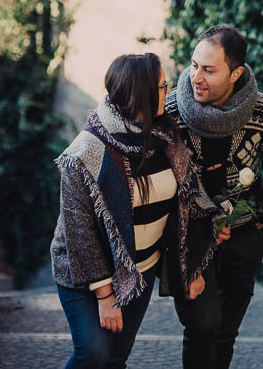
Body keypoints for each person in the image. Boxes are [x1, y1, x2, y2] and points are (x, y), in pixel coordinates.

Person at [50, 53, 223, 369]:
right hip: (86, 274)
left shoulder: (166, 136)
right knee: (95, 353)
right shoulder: (86, 152)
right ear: (141, 92)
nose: (168, 92)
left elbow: (186, 203)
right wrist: (105, 297)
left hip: (139, 269)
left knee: (116, 358)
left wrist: (190, 267)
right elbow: (80, 236)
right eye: (162, 86)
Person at [165, 24, 263, 368]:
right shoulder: (173, 113)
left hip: (242, 236)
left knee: (225, 333)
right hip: (190, 239)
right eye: (194, 65)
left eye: (208, 69)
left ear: (235, 72)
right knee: (201, 327)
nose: (196, 76)